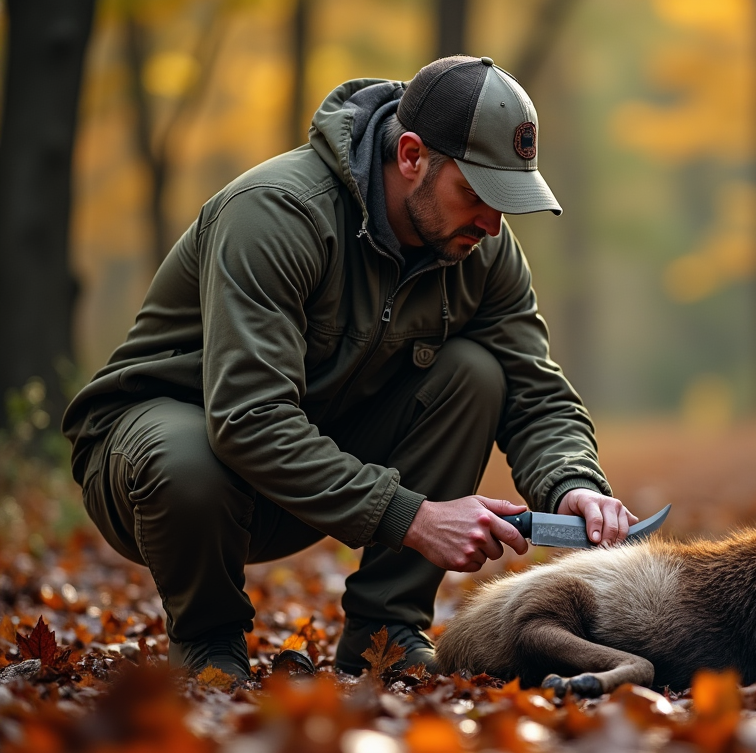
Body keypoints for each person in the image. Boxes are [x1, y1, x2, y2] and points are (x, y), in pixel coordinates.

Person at [62, 55, 636, 681]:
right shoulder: (276, 214)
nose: (493, 223)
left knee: (476, 373)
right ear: (412, 155)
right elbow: (248, 418)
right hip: (159, 473)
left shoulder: (481, 249)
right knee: (186, 454)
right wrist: (412, 516)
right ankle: (208, 643)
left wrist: (572, 483)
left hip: (302, 476)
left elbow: (535, 391)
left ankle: (384, 634)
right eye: (476, 193)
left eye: (509, 200)